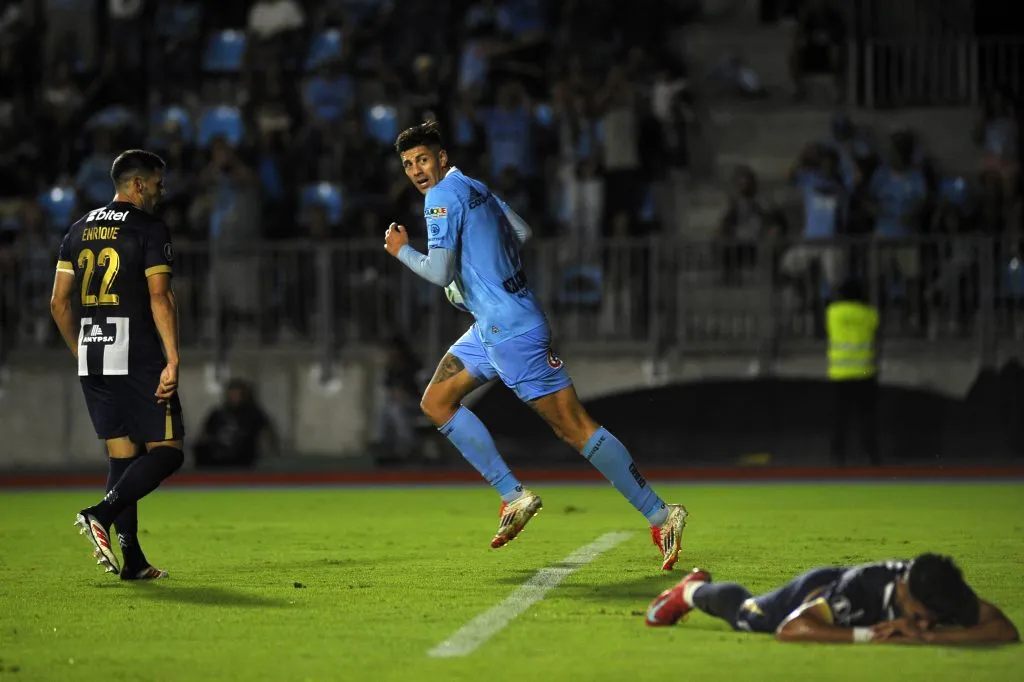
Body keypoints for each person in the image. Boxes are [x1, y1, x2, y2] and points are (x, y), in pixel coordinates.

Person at [383, 121, 689, 570]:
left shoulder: (440, 198)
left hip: (511, 332)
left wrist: (400, 251)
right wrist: (484, 266)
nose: (416, 171)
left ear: (441, 157)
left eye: (423, 160)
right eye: (408, 164)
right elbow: (521, 233)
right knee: (436, 400)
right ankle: (513, 495)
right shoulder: (476, 187)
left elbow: (438, 272)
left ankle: (662, 514)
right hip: (493, 326)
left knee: (574, 428)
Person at [50, 149, 185, 579]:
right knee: (168, 452)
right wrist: (173, 357)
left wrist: (79, 350)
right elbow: (159, 295)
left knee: (124, 459)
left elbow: (57, 303)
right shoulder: (148, 228)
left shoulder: (77, 228)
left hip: (93, 354)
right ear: (138, 184)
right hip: (136, 353)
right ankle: (100, 513)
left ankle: (134, 562)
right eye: (157, 184)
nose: (161, 192)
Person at [646, 554, 1020, 645]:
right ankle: (692, 590)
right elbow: (792, 629)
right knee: (752, 616)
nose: (925, 620)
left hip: (847, 592)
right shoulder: (859, 593)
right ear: (904, 592)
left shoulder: (942, 587)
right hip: (819, 589)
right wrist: (871, 634)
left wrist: (927, 636)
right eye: (919, 615)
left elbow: (1005, 630)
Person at [826, 278, 880, 466]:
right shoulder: (871, 314)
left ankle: (837, 456)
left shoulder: (833, 313)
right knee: (866, 417)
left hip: (840, 373)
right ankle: (871, 455)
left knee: (840, 417)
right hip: (865, 372)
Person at [193, 378, 278, 469]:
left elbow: (268, 434)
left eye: (237, 395)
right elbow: (204, 435)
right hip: (216, 457)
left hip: (242, 457)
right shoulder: (217, 414)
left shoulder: (254, 414)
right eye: (232, 394)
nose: (234, 398)